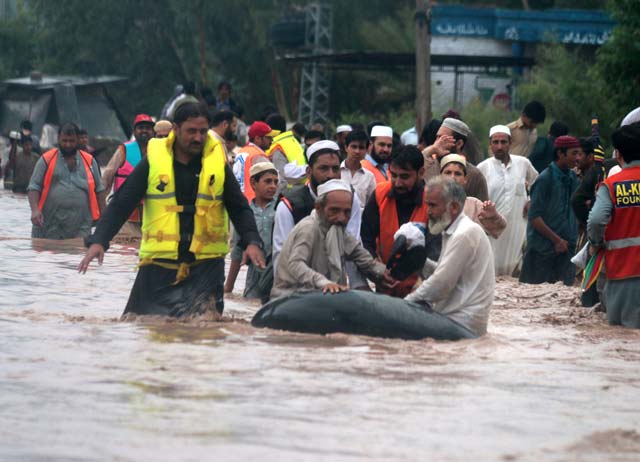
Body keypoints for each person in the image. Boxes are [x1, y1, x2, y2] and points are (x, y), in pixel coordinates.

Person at [78, 102, 264, 318]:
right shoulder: (155, 160)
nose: (197, 138)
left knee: (206, 334)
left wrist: (251, 240)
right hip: (158, 267)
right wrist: (99, 240)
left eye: (203, 132)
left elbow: (239, 207)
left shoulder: (217, 163)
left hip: (205, 269)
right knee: (142, 328)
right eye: (191, 131)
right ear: (176, 130)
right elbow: (122, 202)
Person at [272, 179, 393, 298]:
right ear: (319, 207)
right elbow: (295, 264)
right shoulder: (309, 228)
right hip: (291, 298)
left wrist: (383, 272)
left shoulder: (336, 228)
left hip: (324, 297)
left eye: (347, 212)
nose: (341, 217)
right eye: (334, 210)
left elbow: (359, 255)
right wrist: (324, 283)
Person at [405, 176, 494, 336]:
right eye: (427, 205)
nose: (428, 212)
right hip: (458, 319)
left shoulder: (464, 233)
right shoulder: (453, 231)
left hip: (461, 322)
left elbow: (441, 283)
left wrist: (405, 304)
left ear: (453, 207)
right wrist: (420, 262)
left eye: (432, 205)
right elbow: (445, 274)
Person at [272, 140, 362, 274]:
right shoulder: (288, 206)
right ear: (309, 172)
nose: (331, 175)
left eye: (335, 169)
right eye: (323, 168)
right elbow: (281, 256)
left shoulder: (350, 198)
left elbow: (352, 246)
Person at [587, 122, 640, 328]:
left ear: (617, 154)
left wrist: (596, 242)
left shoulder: (611, 185)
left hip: (623, 274)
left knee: (623, 337)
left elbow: (596, 220)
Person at [361, 144, 427, 297]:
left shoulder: (432, 201)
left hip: (422, 289)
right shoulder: (379, 194)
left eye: (404, 177)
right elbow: (365, 240)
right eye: (394, 175)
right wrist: (377, 270)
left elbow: (437, 251)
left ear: (421, 173)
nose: (397, 183)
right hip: (384, 283)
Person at [478, 125, 538, 276]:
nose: (499, 146)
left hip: (518, 226)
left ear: (510, 143)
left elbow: (537, 184)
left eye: (503, 142)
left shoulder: (523, 163)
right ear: (490, 144)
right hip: (493, 230)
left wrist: (531, 200)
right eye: (495, 142)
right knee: (492, 268)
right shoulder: (483, 168)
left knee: (516, 270)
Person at [27, 123, 106, 239]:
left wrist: (104, 218)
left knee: (79, 254)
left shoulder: (89, 161)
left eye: (71, 141)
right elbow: (34, 186)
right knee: (47, 256)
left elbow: (99, 190)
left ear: (78, 140)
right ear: (58, 138)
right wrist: (34, 210)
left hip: (82, 226)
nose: (68, 145)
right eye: (64, 141)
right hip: (49, 225)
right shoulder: (46, 159)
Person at [519, 135, 580, 285]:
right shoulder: (544, 179)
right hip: (542, 251)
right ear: (560, 154)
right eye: (574, 153)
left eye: (579, 153)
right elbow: (534, 217)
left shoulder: (573, 178)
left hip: (566, 251)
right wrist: (557, 240)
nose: (578, 158)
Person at [225, 162, 278, 300]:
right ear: (253, 183)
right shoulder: (245, 215)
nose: (273, 186)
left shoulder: (281, 208)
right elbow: (237, 253)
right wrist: (228, 290)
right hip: (254, 277)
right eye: (268, 181)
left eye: (275, 182)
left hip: (277, 273)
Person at [102, 114, 155, 236]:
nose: (144, 131)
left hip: (151, 214)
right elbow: (107, 176)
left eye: (148, 128)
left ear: (153, 131)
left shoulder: (159, 150)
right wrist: (102, 206)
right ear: (134, 131)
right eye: (141, 128)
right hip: (125, 215)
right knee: (126, 248)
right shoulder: (124, 149)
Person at [422, 118, 489, 202]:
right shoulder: (427, 166)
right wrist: (431, 149)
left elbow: (482, 210)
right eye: (437, 138)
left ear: (459, 144)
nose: (437, 143)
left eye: (443, 139)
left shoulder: (474, 175)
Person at [440, 154, 506, 239]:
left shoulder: (473, 204)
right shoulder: (431, 202)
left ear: (465, 179)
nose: (452, 177)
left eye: (458, 174)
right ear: (440, 176)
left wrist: (493, 216)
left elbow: (498, 230)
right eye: (448, 173)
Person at [232, 121, 279, 200]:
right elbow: (274, 181)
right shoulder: (258, 155)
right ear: (257, 138)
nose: (272, 140)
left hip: (239, 200)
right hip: (254, 202)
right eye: (268, 137)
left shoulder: (242, 152)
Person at [265, 113, 307, 194]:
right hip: (302, 189)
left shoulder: (277, 147)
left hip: (289, 194)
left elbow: (280, 179)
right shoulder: (293, 141)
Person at [340, 130, 376, 209]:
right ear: (346, 147)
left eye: (361, 148)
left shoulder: (369, 177)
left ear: (366, 150)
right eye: (354, 147)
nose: (357, 151)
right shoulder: (336, 172)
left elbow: (371, 205)